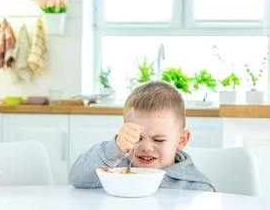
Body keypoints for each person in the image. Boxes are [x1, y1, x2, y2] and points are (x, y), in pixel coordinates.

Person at [69, 80, 214, 191]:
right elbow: (76, 178)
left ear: (182, 140)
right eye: (137, 138)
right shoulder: (113, 169)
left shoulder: (196, 186)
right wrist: (113, 148)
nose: (146, 147)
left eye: (159, 140)